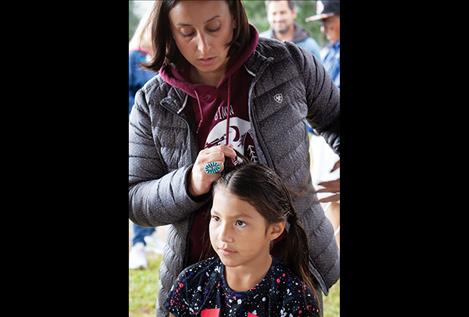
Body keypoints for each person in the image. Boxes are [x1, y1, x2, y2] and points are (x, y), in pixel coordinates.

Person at [128, 1, 339, 315]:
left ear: (235, 19)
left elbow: (335, 117)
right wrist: (190, 182)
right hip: (198, 283)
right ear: (169, 32)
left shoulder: (287, 63)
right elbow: (135, 197)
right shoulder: (153, 100)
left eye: (215, 27)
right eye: (186, 33)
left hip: (290, 270)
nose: (203, 46)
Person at [164, 162, 320, 316]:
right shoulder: (190, 282)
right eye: (217, 218)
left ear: (275, 229)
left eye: (240, 223)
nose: (223, 235)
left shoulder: (295, 298)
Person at [128, 10, 163, 270]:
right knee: (143, 187)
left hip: (165, 135)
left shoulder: (167, 60)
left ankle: (152, 237)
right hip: (140, 134)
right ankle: (138, 244)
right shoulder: (134, 59)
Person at [306, 0, 341, 247]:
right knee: (329, 200)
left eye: (328, 20)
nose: (324, 28)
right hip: (322, 139)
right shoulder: (328, 52)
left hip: (337, 135)